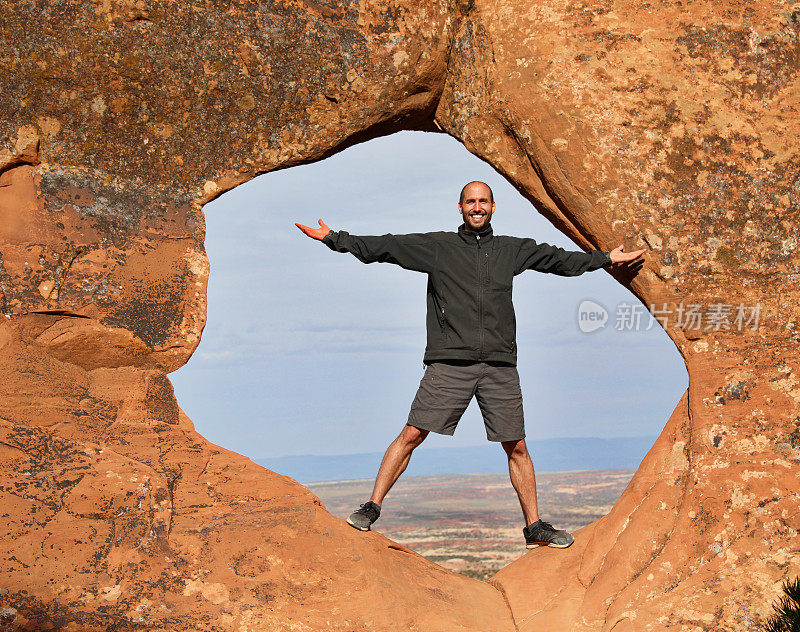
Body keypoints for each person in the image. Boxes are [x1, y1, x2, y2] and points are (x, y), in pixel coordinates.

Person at [295, 181, 645, 549]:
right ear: (459, 208)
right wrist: (335, 238)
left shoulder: (512, 250)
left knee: (518, 446)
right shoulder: (438, 247)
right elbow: (386, 246)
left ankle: (534, 527)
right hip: (450, 363)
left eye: (483, 201)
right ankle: (371, 507)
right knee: (413, 433)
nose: (476, 207)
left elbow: (559, 259)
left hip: (498, 365)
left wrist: (606, 258)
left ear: (493, 207)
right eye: (470, 202)